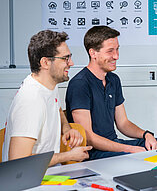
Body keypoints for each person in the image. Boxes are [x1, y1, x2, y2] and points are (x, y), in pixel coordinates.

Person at [65, 26, 157, 160]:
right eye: (110, 51)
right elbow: (88, 137)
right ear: (93, 53)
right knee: (142, 157)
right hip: (95, 152)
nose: (116, 56)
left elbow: (123, 123)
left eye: (117, 49)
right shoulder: (80, 84)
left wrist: (146, 135)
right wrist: (129, 149)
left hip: (116, 145)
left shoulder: (113, 79)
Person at [2, 30, 92, 165]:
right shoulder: (30, 100)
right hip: (29, 183)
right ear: (45, 63)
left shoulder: (48, 85)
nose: (71, 63)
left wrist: (66, 128)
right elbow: (18, 160)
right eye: (65, 58)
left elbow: (57, 109)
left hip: (48, 174)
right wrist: (67, 156)